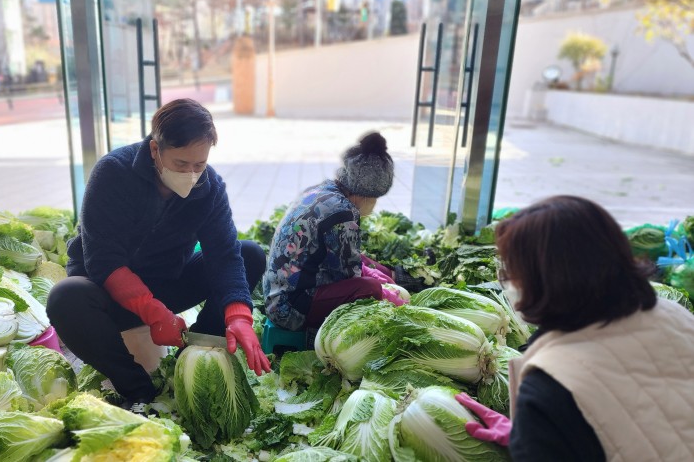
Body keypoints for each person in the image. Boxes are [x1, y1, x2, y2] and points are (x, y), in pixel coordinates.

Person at [47, 99, 272, 409]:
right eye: (181, 164)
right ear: (155, 150)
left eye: (200, 164)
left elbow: (225, 255)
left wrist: (239, 316)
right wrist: (155, 313)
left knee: (250, 254)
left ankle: (191, 359)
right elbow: (104, 261)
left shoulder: (210, 187)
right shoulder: (113, 172)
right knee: (65, 296)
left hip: (165, 281)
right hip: (106, 291)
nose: (192, 175)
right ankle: (138, 389)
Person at [454, 195, 694, 461]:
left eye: (511, 270)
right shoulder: (675, 315)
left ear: (544, 281)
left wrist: (537, 436)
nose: (505, 280)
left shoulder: (551, 380)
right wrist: (532, 436)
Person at [262, 132, 421, 331]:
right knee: (368, 288)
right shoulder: (343, 213)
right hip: (290, 310)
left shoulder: (322, 190)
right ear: (364, 195)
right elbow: (348, 277)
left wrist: (373, 270)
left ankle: (395, 278)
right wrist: (385, 293)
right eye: (375, 199)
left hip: (275, 294)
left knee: (362, 261)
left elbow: (343, 259)